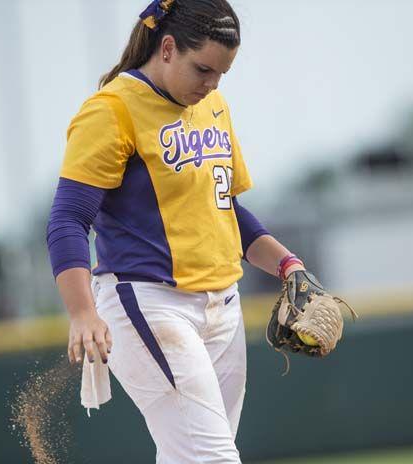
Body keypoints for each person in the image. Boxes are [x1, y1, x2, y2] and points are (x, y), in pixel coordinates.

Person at [46, 0, 308, 462]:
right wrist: (82, 312)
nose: (212, 85)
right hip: (148, 303)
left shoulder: (213, 106)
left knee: (190, 455)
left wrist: (288, 264)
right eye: (203, 69)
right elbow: (68, 218)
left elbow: (225, 207)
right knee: (213, 458)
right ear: (167, 48)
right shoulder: (113, 110)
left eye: (221, 74)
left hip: (222, 306)